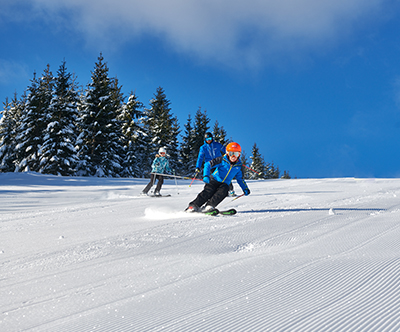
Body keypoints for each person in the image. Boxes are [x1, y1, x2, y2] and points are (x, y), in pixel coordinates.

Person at [186, 142, 250, 213]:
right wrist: (206, 176)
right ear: (227, 153)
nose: (233, 156)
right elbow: (207, 164)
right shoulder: (222, 160)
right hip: (214, 180)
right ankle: (193, 206)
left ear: (239, 154)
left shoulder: (239, 167)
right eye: (231, 154)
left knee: (224, 191)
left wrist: (245, 188)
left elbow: (240, 179)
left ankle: (209, 206)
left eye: (236, 154)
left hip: (224, 184)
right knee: (208, 192)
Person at [195, 132, 236, 196]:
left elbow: (226, 150)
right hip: (210, 165)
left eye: (210, 138)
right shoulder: (203, 148)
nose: (209, 140)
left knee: (225, 176)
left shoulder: (217, 145)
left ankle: (231, 190)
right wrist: (198, 167)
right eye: (207, 138)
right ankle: (208, 193)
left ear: (212, 138)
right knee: (211, 178)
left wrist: (232, 155)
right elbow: (200, 158)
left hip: (219, 163)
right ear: (205, 139)